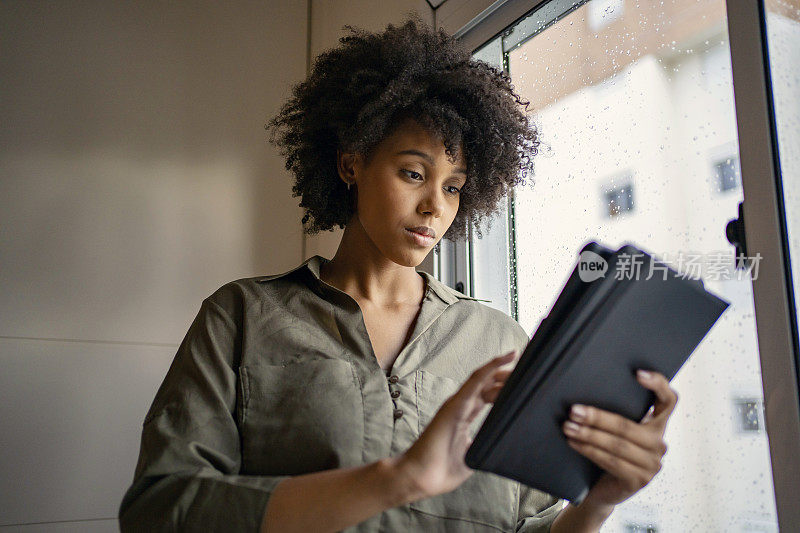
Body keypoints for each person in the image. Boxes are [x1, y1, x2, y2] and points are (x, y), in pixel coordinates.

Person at [119, 16, 677, 532]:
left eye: (454, 187)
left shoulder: (500, 343)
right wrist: (396, 480)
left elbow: (530, 524)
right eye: (414, 172)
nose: (436, 205)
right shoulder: (242, 317)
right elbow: (161, 510)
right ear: (351, 162)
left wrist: (600, 500)